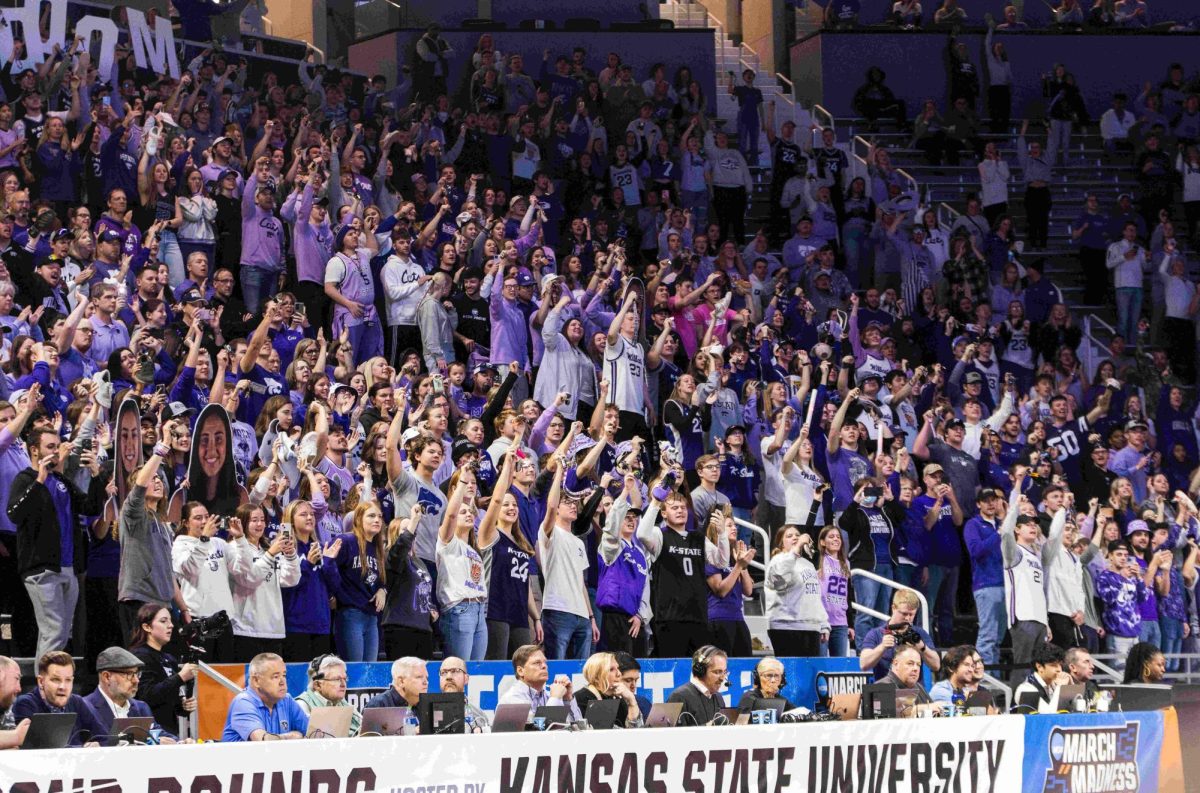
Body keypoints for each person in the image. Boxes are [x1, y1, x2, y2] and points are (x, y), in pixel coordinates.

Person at [128, 603, 197, 734]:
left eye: (170, 621)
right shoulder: (139, 656)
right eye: (163, 621)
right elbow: (146, 697)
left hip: (169, 731)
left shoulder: (169, 659)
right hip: (147, 732)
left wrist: (183, 705)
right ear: (147, 627)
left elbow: (170, 700)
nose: (170, 625)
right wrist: (180, 677)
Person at [11, 651, 104, 747]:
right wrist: (82, 749)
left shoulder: (77, 702)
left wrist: (97, 745)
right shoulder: (25, 704)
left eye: (68, 680)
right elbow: (43, 747)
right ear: (41, 681)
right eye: (56, 679)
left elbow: (104, 737)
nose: (62, 687)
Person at [83, 646, 175, 742]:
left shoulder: (141, 708)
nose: (136, 680)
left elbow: (159, 734)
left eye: (137, 674)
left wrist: (181, 742)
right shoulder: (86, 708)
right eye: (129, 674)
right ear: (107, 677)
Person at [765, 526, 829, 656]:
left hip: (810, 627)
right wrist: (795, 549)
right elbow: (779, 584)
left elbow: (814, 596)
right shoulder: (776, 561)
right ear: (781, 543)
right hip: (786, 627)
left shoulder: (808, 564)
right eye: (789, 536)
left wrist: (823, 624)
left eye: (797, 535)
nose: (795, 537)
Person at [221, 652, 308, 741]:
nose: (282, 682)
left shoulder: (286, 700)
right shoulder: (243, 702)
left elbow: (314, 733)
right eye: (275, 676)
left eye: (284, 675)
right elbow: (263, 741)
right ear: (256, 681)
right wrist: (291, 736)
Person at [858, 589, 940, 680]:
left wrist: (922, 647)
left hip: (913, 691)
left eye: (911, 614)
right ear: (893, 608)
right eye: (904, 613)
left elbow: (936, 665)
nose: (907, 618)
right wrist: (882, 647)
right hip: (886, 689)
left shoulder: (919, 633)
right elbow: (863, 664)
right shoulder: (876, 634)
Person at [496, 644, 582, 721]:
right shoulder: (512, 699)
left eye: (545, 662)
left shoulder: (548, 695)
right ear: (520, 671)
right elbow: (538, 730)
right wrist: (555, 698)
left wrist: (567, 699)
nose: (544, 666)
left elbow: (579, 728)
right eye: (537, 663)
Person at [295, 654, 361, 737]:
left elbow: (362, 727)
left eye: (345, 679)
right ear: (317, 685)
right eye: (337, 679)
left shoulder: (342, 702)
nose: (343, 684)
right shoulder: (302, 705)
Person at [573, 652, 642, 728]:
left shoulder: (619, 698)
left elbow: (636, 732)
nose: (618, 674)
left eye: (618, 668)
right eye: (611, 669)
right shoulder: (582, 698)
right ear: (596, 676)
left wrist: (632, 701)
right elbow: (602, 734)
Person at [666, 645, 728, 726]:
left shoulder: (718, 698)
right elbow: (671, 735)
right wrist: (707, 727)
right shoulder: (678, 697)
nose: (722, 678)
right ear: (700, 671)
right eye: (717, 672)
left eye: (724, 672)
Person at [437, 656, 489, 731]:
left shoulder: (479, 716)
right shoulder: (427, 714)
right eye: (444, 672)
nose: (448, 677)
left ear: (466, 678)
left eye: (455, 671)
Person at [1014, 641, 1069, 708]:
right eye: (1053, 665)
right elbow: (1049, 715)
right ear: (1039, 667)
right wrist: (1061, 688)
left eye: (1060, 665)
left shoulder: (1054, 684)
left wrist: (1070, 686)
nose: (1059, 669)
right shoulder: (1026, 689)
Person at [0, 655, 30, 748]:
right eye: (16, 679)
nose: (19, 688)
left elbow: (13, 748)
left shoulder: (5, 708)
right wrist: (16, 736)